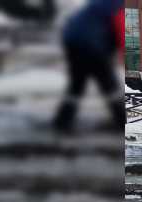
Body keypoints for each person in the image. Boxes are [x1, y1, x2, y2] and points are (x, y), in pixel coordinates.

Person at [52, 0, 125, 131]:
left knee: (77, 84)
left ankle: (62, 120)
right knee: (109, 84)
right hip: (93, 45)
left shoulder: (103, 3)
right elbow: (121, 29)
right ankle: (121, 121)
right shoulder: (119, 5)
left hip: (73, 42)